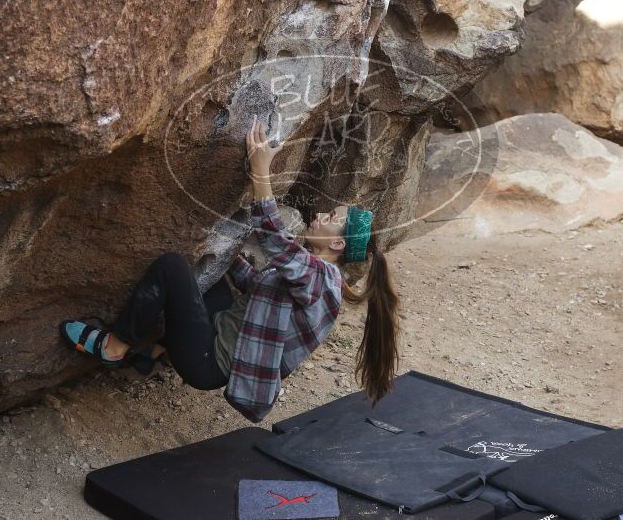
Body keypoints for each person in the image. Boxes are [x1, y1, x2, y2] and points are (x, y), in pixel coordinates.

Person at [59, 117, 400, 422]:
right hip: (222, 331)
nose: (322, 216)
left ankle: (114, 347)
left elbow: (276, 241)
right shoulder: (316, 277)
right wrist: (221, 252)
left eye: (331, 219)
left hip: (210, 362)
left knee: (172, 269)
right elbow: (257, 289)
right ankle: (151, 353)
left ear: (338, 244)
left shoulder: (323, 279)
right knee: (212, 277)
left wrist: (260, 172)